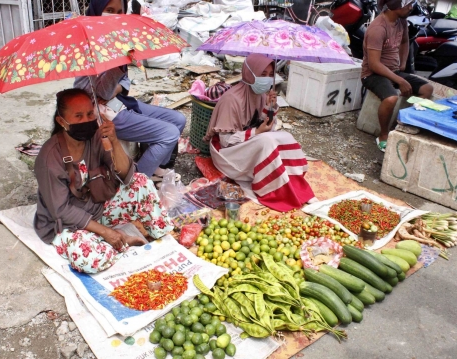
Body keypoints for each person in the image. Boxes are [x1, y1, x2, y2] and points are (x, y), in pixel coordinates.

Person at [34, 88, 173, 274]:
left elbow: (127, 175)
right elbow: (61, 210)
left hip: (97, 207)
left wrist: (114, 142)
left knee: (141, 182)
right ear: (62, 121)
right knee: (90, 258)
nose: (86, 120)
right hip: (64, 224)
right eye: (78, 116)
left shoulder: (95, 137)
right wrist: (107, 232)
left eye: (90, 113)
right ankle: (117, 242)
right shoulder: (49, 157)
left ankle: (164, 240)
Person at [74, 0, 186, 183]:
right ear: (96, 11)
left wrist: (118, 80)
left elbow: (122, 85)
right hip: (99, 112)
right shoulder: (88, 44)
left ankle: (157, 169)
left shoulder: (116, 38)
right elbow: (96, 91)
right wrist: (118, 69)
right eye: (109, 10)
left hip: (117, 103)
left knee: (178, 119)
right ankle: (134, 185)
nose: (115, 15)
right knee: (169, 133)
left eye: (119, 10)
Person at [203, 53, 317, 212]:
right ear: (250, 73)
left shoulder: (262, 95)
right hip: (226, 155)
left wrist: (270, 109)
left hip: (247, 146)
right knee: (267, 142)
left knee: (286, 136)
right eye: (262, 74)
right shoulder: (232, 100)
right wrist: (256, 132)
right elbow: (225, 141)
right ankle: (271, 190)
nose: (267, 79)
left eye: (270, 75)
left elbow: (267, 126)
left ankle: (292, 183)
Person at [361, 0, 434, 152]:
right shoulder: (378, 28)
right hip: (373, 74)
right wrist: (399, 80)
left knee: (427, 89)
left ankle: (401, 126)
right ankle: (383, 135)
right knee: (391, 98)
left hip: (393, 71)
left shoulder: (401, 21)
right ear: (395, 5)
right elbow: (374, 64)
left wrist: (402, 64)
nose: (410, 7)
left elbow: (405, 42)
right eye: (407, 4)